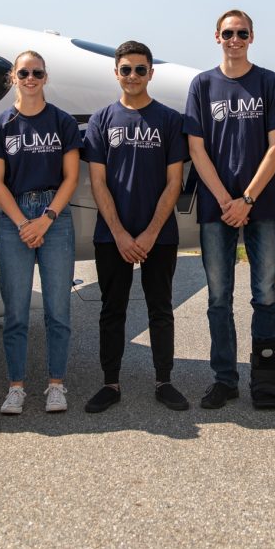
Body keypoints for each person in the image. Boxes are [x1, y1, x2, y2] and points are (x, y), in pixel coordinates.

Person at [185, 9, 275, 409]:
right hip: (217, 209)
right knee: (219, 297)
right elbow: (196, 149)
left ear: (252, 37)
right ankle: (224, 379)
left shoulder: (269, 83)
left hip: (260, 205)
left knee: (264, 293)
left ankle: (265, 378)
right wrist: (224, 201)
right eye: (228, 33)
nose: (235, 39)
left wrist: (246, 199)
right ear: (217, 36)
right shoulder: (201, 85)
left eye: (242, 33)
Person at [83, 40, 190, 413]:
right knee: (112, 310)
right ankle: (110, 383)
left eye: (140, 69)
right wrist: (120, 234)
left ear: (150, 73)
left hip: (159, 236)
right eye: (125, 69)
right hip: (111, 235)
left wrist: (147, 234)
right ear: (116, 73)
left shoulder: (169, 120)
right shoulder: (100, 120)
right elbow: (98, 183)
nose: (132, 76)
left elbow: (174, 182)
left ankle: (164, 381)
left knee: (161, 309)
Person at [0, 50, 80, 415]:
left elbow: (71, 177)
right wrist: (24, 223)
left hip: (55, 217)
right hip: (15, 218)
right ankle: (16, 387)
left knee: (58, 310)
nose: (30, 78)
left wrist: (47, 217)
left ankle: (56, 384)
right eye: (23, 72)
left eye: (37, 72)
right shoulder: (1, 126)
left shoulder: (62, 122)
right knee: (16, 311)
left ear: (45, 76)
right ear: (13, 76)